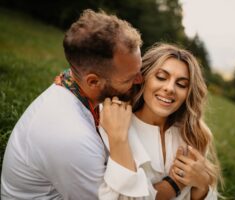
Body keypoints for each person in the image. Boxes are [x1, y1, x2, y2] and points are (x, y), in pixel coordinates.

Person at [1, 9, 151, 199]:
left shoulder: (75, 86)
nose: (140, 79)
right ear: (93, 82)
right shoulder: (71, 136)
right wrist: (119, 140)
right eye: (130, 78)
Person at [98, 43, 222, 199]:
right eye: (161, 77)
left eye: (181, 84)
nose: (170, 88)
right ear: (142, 78)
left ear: (187, 93)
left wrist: (202, 186)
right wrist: (176, 183)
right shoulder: (115, 123)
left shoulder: (191, 136)